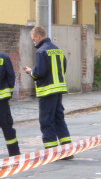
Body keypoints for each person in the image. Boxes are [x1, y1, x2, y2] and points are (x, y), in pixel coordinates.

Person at [23, 26, 73, 158]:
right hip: (59, 89)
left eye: (33, 39)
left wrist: (30, 72)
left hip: (47, 91)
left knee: (46, 120)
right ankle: (67, 151)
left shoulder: (41, 52)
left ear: (38, 36)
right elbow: (64, 67)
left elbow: (39, 73)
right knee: (59, 119)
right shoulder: (58, 50)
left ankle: (51, 152)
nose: (34, 42)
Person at [0, 52, 20, 157]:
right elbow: (11, 76)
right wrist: (9, 93)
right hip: (2, 101)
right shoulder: (4, 58)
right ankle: (14, 152)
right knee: (7, 127)